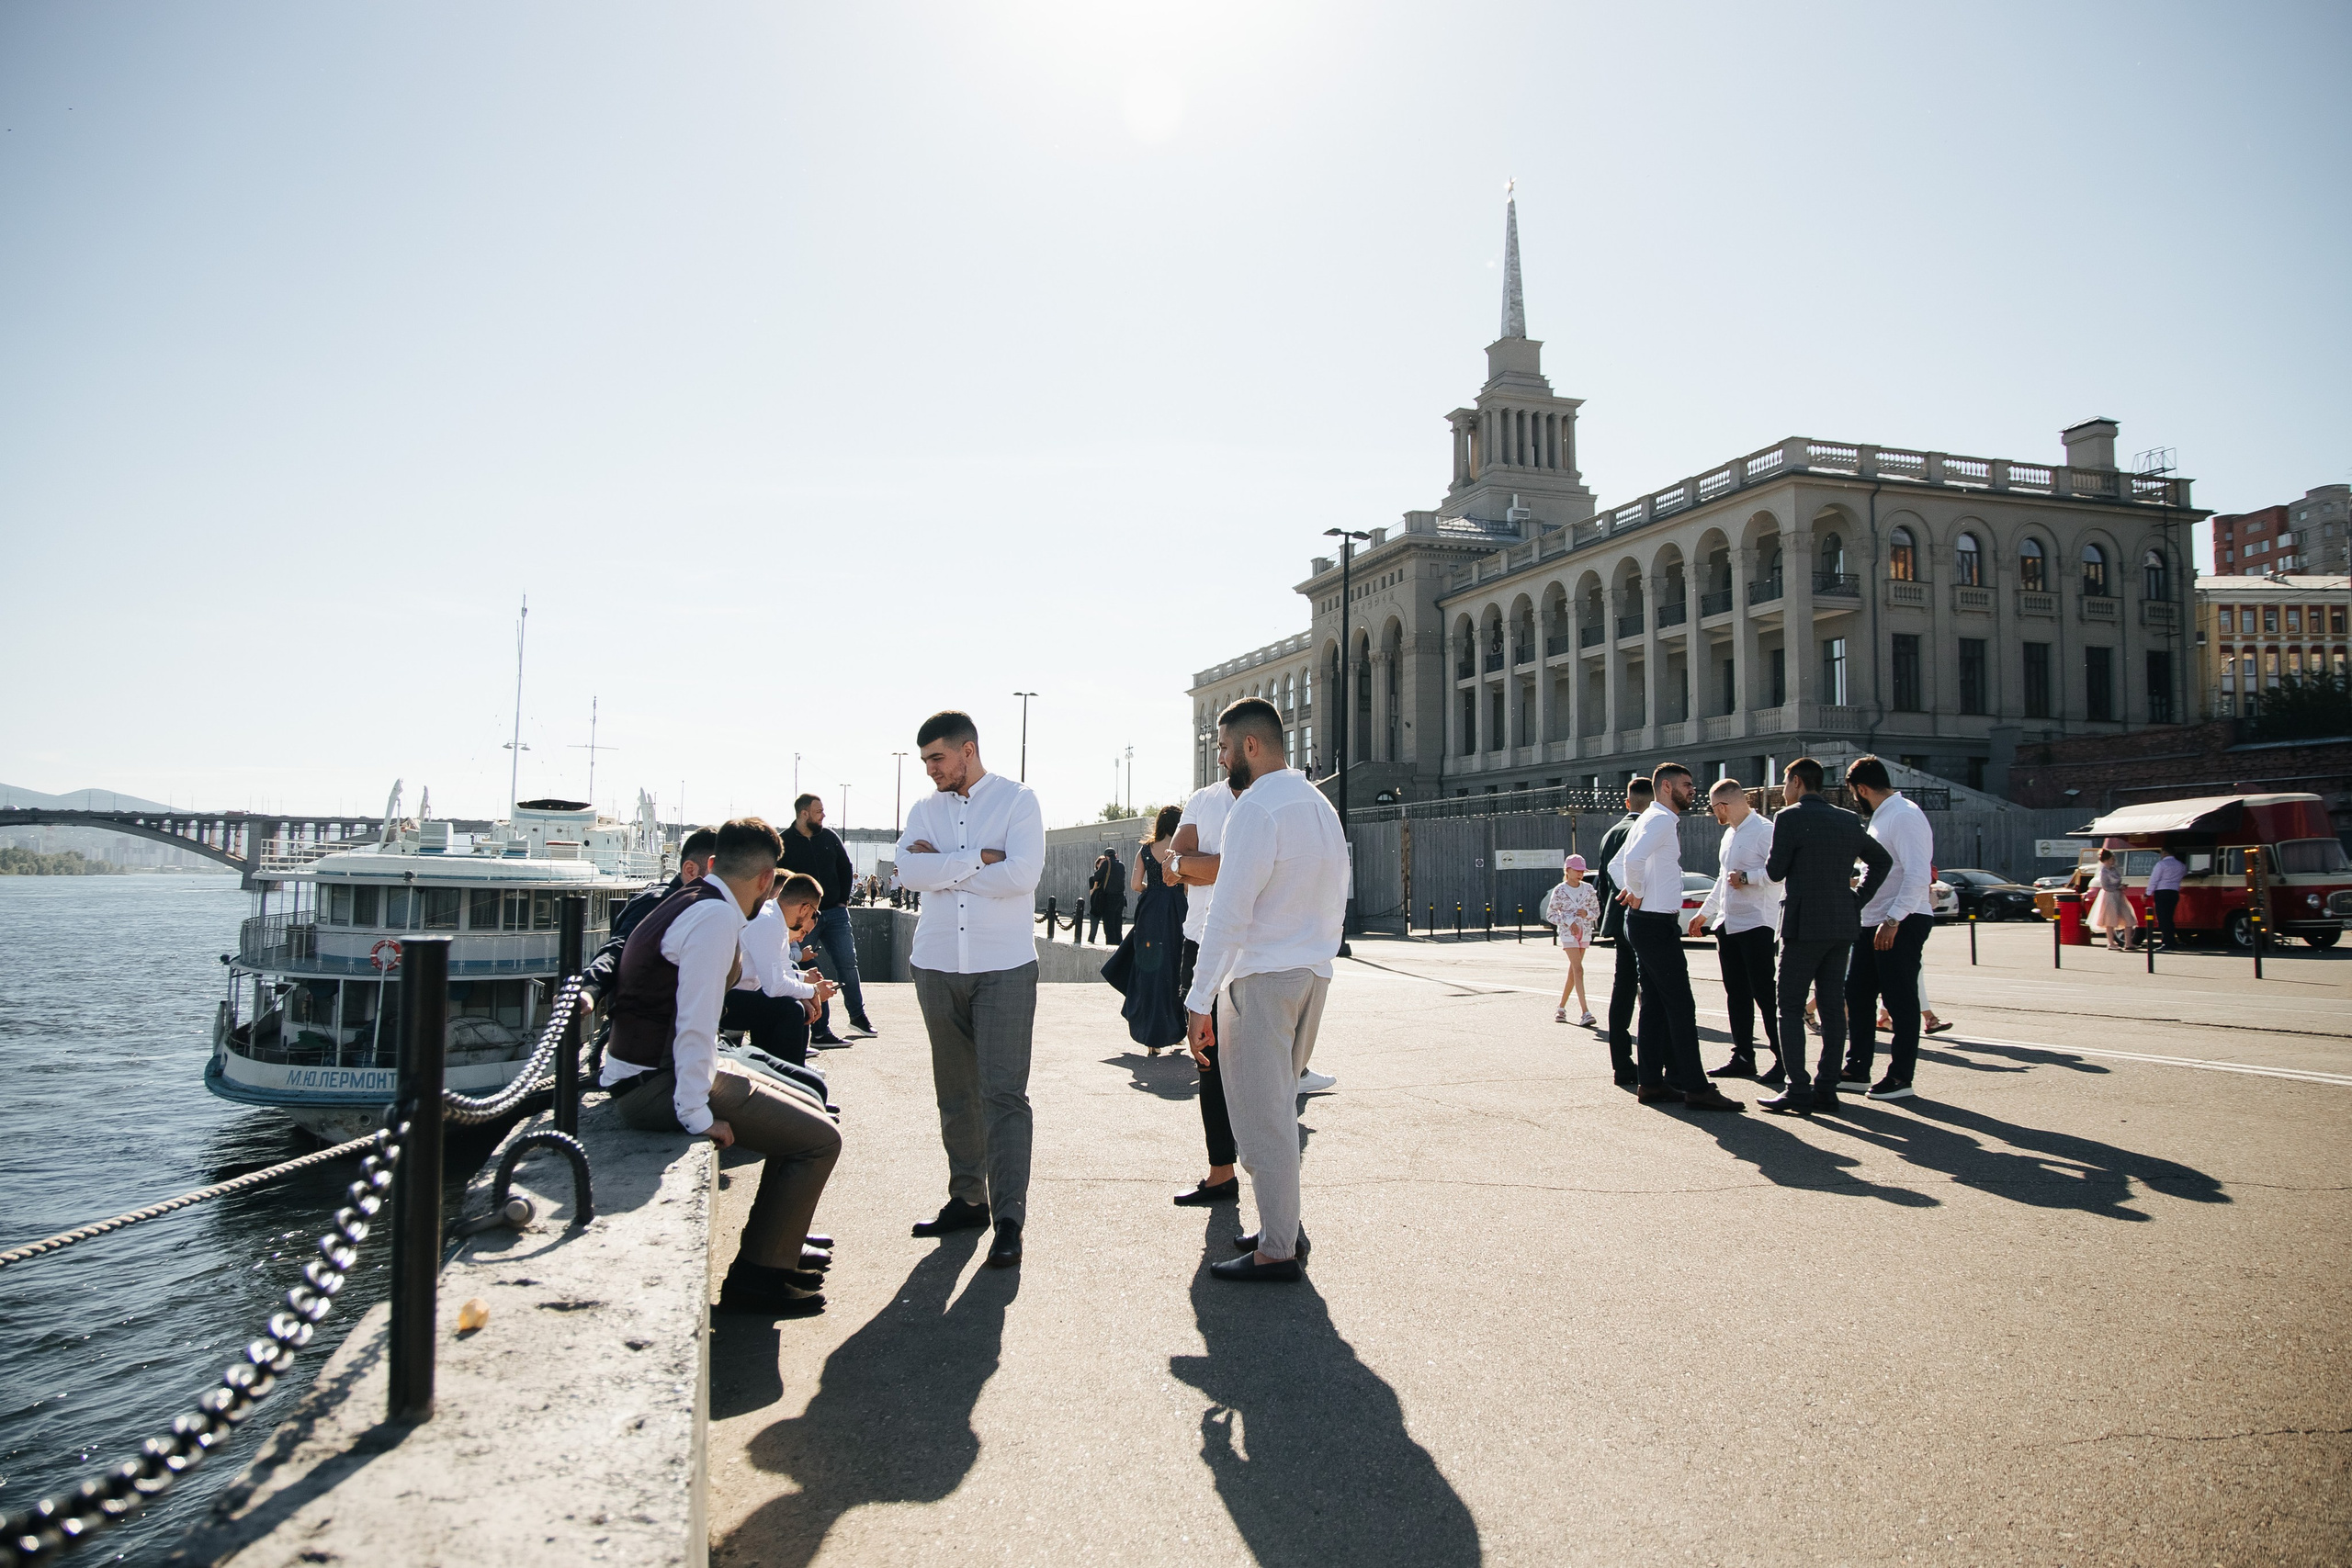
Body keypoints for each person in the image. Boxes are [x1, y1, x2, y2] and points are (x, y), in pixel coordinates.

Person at [602, 818, 842, 1315]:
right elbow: (694, 1024)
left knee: (807, 1105)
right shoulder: (714, 921)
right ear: (764, 879)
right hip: (658, 1083)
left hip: (643, 1071)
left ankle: (777, 1248)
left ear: (713, 864)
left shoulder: (691, 900)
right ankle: (759, 1276)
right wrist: (696, 1116)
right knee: (821, 1140)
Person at [1182, 697, 1349, 1282]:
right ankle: (1284, 1225)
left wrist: (1198, 999)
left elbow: (1227, 913)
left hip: (1261, 978)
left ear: (1251, 747)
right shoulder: (1320, 806)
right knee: (1274, 1108)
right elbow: (1337, 897)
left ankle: (1278, 1247)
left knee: (1262, 1117)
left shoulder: (1253, 809)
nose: (1222, 759)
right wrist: (1319, 962)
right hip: (1311, 974)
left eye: (1224, 748)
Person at [892, 710, 1046, 1271]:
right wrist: (976, 860)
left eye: (938, 758)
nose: (930, 770)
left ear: (968, 750)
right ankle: (966, 1200)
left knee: (1004, 1095)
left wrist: (944, 867)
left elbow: (1022, 876)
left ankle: (1009, 1219)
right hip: (935, 963)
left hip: (1003, 966)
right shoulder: (924, 809)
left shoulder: (1017, 801)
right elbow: (905, 873)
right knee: (954, 1091)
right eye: (925, 761)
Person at [1757, 759, 1892, 1117]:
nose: (1783, 791)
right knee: (1833, 1009)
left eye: (1785, 783)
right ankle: (1826, 1089)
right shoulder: (1848, 819)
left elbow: (1774, 871)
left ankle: (1797, 1088)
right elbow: (1881, 861)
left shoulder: (1788, 818)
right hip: (1841, 924)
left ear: (1797, 782)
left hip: (1802, 925)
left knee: (1788, 1006)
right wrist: (1857, 898)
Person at [1608, 763, 1746, 1112]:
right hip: (1654, 923)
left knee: (1654, 1005)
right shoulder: (1659, 821)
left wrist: (1631, 889)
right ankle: (1697, 1088)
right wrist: (1635, 890)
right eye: (1687, 785)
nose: (1693, 790)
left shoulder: (1647, 819)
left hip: (1647, 922)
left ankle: (1652, 1083)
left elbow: (1615, 864)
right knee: (1681, 1006)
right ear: (1666, 787)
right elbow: (1632, 860)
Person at [1839, 756, 1939, 1101]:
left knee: (1899, 1001)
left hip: (1901, 921)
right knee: (1858, 994)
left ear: (1862, 789)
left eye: (1854, 793)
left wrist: (1893, 919)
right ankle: (1857, 1069)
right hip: (1873, 920)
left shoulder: (1905, 815)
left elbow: (1917, 874)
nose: (1855, 799)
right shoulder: (1883, 817)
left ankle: (1900, 1077)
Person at [1691, 778, 1786, 1087]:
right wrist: (1705, 913)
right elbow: (1722, 879)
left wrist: (1748, 877)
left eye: (1713, 808)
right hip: (1729, 925)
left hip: (1757, 923)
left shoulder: (1765, 831)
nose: (1713, 814)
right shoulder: (1730, 835)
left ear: (1723, 806)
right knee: (1737, 994)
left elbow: (1780, 875)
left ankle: (1783, 1059)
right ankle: (1744, 1055)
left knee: (1764, 993)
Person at [727, 870, 839, 1093]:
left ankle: (788, 1085)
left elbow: (784, 972)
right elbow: (775, 985)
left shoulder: (773, 918)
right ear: (805, 908)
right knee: (790, 1010)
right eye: (813, 914)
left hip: (740, 994)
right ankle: (790, 1090)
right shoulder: (768, 922)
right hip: (723, 1001)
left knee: (794, 1006)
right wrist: (811, 991)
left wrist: (808, 994)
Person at [582, 827, 720, 1006]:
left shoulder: (702, 908)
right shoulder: (659, 903)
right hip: (641, 1027)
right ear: (691, 870)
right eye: (719, 875)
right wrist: (589, 989)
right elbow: (619, 946)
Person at [780, 795, 875, 1043]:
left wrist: (843, 899)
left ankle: (858, 1017)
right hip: (803, 917)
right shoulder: (785, 842)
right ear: (803, 814)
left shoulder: (830, 838)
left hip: (835, 912)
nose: (823, 815)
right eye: (818, 811)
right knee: (807, 969)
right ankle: (820, 1030)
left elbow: (845, 867)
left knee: (848, 964)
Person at [1103, 806, 1186, 1055]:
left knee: (1149, 970)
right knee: (1174, 969)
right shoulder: (1181, 851)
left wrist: (1152, 890)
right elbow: (1187, 887)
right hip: (1175, 912)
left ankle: (1151, 1037)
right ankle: (1174, 1029)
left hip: (1149, 912)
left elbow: (1135, 884)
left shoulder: (1146, 849)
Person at [1589, 778, 1653, 1083]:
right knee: (1652, 991)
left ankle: (1622, 1064)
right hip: (1643, 916)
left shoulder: (1610, 833)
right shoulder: (1649, 829)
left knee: (1623, 988)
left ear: (1628, 803)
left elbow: (1601, 882)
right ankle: (1657, 1061)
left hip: (1618, 917)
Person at [1544, 854, 1600, 1026]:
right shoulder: (1560, 890)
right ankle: (1585, 1012)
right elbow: (1551, 914)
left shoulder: (1589, 889)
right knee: (1579, 969)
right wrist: (1569, 921)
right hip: (1568, 933)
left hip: (1585, 931)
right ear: (1567, 870)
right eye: (1577, 870)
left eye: (1582, 871)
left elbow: (1596, 912)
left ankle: (1561, 1008)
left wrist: (1587, 914)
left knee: (1574, 972)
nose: (1580, 874)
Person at [2088, 847, 2134, 951]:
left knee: (2128, 917)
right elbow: (2106, 886)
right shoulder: (2103, 872)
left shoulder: (2114, 869)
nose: (2114, 860)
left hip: (2118, 895)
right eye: (2112, 859)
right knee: (2110, 920)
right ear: (2106, 860)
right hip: (2109, 896)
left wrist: (2121, 886)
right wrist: (2118, 887)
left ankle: (2128, 943)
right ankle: (2111, 943)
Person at [1087, 848, 1128, 946]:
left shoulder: (1106, 864)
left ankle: (1111, 948)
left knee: (1109, 926)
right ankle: (1119, 947)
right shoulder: (1121, 865)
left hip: (1108, 899)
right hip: (1120, 899)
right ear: (1116, 855)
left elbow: (1096, 877)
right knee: (1118, 925)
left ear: (1106, 857)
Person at [2148, 846, 2188, 948]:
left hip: (2161, 892)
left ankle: (2167, 941)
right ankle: (2171, 940)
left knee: (2163, 918)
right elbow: (2184, 873)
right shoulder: (2181, 865)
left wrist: (2147, 893)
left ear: (2165, 853)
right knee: (2169, 917)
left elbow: (2154, 880)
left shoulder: (2161, 864)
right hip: (2174, 892)